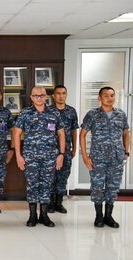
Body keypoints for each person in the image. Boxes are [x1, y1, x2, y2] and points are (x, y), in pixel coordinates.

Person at [13, 86, 65, 227]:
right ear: (31, 97)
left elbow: (61, 134)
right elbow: (16, 134)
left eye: (42, 95)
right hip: (31, 156)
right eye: (36, 95)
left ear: (46, 96)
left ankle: (44, 215)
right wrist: (18, 155)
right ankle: (32, 215)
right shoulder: (25, 113)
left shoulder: (54, 113)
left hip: (50, 156)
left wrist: (61, 154)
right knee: (32, 185)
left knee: (47, 185)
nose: (39, 97)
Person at [80, 87, 129, 228]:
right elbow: (82, 135)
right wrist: (85, 156)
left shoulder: (121, 114)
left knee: (113, 187)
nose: (110, 98)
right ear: (99, 98)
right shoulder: (93, 115)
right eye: (106, 95)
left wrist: (126, 152)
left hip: (116, 157)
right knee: (97, 187)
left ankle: (109, 216)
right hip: (98, 158)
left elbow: (126, 133)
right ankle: (99, 216)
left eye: (112, 95)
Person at [49, 85, 79, 214]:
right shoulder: (48, 111)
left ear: (66, 95)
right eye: (58, 93)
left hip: (66, 149)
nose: (61, 96)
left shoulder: (71, 111)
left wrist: (74, 147)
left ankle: (59, 203)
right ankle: (49, 203)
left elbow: (74, 131)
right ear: (53, 96)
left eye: (63, 93)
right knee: (50, 176)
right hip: (50, 149)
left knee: (63, 176)